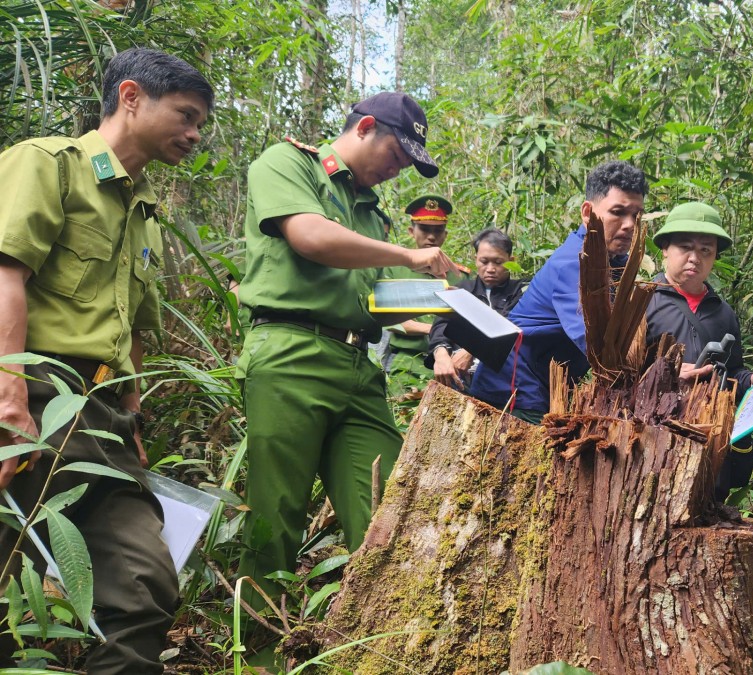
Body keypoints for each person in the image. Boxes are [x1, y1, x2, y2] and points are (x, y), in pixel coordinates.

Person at [0, 48, 213, 673]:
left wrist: (132, 415)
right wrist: (9, 394)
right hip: (36, 392)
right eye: (186, 115)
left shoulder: (145, 213)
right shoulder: (49, 165)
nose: (195, 134)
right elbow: (6, 275)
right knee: (8, 577)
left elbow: (134, 330)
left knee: (145, 585)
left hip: (103, 418)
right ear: (131, 97)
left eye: (200, 123)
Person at [235, 92, 455, 601]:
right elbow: (310, 236)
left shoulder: (374, 216)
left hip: (358, 365)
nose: (396, 171)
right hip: (292, 353)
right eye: (395, 155)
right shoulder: (290, 163)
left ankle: (383, 631)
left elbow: (375, 301)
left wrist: (444, 306)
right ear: (365, 127)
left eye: (405, 165)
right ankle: (259, 636)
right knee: (276, 511)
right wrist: (407, 255)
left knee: (389, 506)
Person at [469, 160, 647, 422]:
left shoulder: (615, 262)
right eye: (618, 212)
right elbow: (596, 344)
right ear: (587, 212)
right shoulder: (575, 264)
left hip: (544, 385)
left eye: (636, 215)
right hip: (514, 388)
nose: (630, 224)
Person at [645, 202, 753, 499]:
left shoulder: (723, 312)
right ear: (665, 249)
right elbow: (618, 374)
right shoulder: (643, 301)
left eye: (706, 250)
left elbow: (733, 371)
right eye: (685, 247)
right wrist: (665, 373)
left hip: (709, 446)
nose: (695, 258)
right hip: (655, 442)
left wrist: (751, 380)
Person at [377, 195, 464, 389]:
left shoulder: (459, 276)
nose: (431, 236)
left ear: (445, 234)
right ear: (411, 231)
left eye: (438, 230)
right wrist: (433, 330)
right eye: (424, 229)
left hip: (452, 366)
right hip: (407, 364)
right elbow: (388, 319)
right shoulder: (394, 270)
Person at [426, 227, 526, 389]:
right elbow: (441, 325)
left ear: (511, 260)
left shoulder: (522, 290)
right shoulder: (462, 290)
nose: (490, 269)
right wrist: (441, 354)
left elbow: (510, 323)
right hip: (460, 379)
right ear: (476, 259)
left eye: (498, 262)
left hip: (505, 380)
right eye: (484, 262)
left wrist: (471, 350)